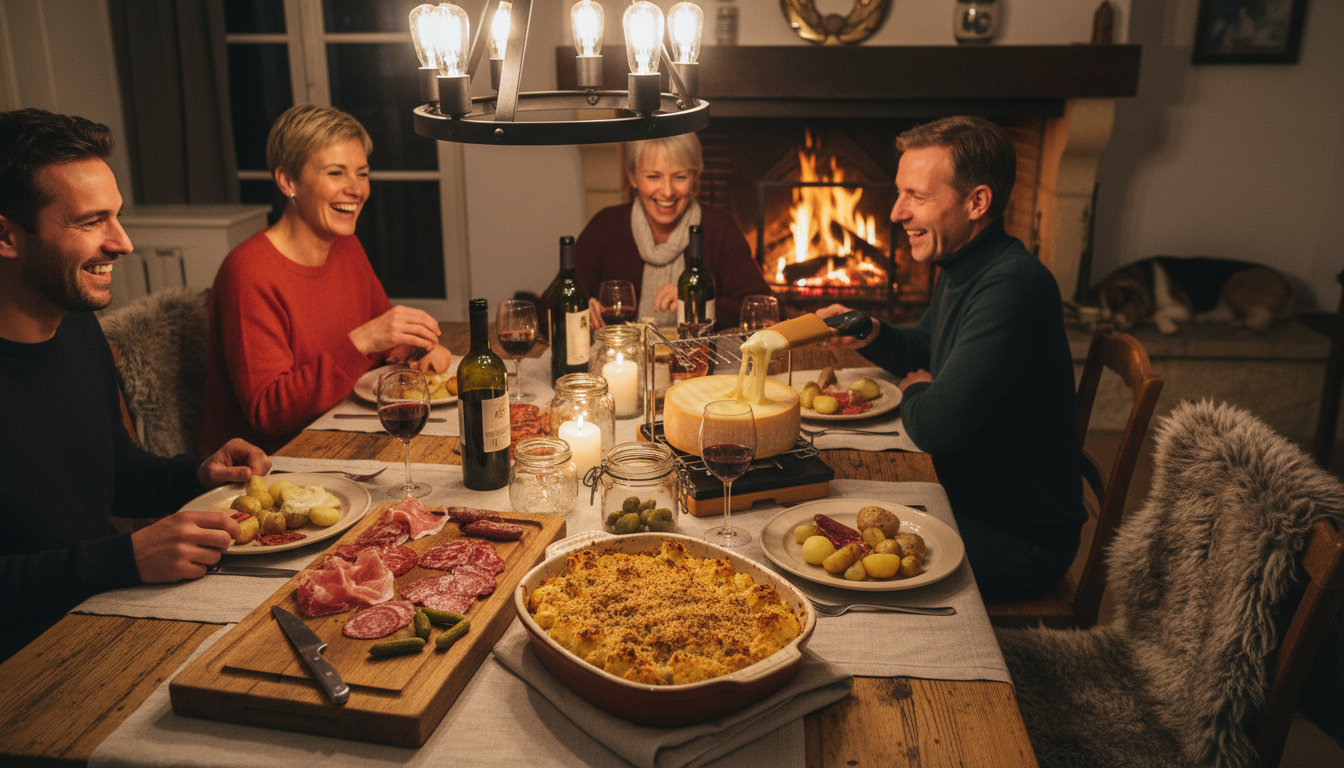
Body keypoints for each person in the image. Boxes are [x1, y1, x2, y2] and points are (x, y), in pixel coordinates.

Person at [0, 109, 272, 661]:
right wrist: (123, 559)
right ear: (7, 236)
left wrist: (197, 473)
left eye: (116, 216)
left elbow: (115, 471)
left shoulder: (77, 329)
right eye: (90, 222)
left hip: (106, 609)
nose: (122, 243)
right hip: (28, 658)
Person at [815, 116, 1084, 603]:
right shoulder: (965, 264)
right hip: (963, 496)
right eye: (900, 193)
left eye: (917, 196)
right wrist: (871, 332)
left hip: (1017, 539)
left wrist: (918, 388)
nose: (896, 212)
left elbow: (934, 426)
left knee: (831, 572)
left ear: (977, 202)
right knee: (823, 512)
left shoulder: (1010, 286)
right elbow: (927, 348)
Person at [197, 104, 451, 455]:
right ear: (288, 182)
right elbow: (268, 415)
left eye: (362, 174)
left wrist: (418, 350)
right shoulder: (248, 272)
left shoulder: (346, 247)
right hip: (271, 463)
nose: (356, 189)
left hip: (342, 433)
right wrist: (362, 340)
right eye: (336, 173)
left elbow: (382, 347)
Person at [546, 133, 773, 331]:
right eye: (654, 176)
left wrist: (701, 303)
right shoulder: (606, 226)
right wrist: (575, 308)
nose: (667, 191)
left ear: (695, 178)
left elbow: (768, 311)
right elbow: (546, 307)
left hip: (698, 362)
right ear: (633, 177)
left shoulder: (719, 228)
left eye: (680, 177)